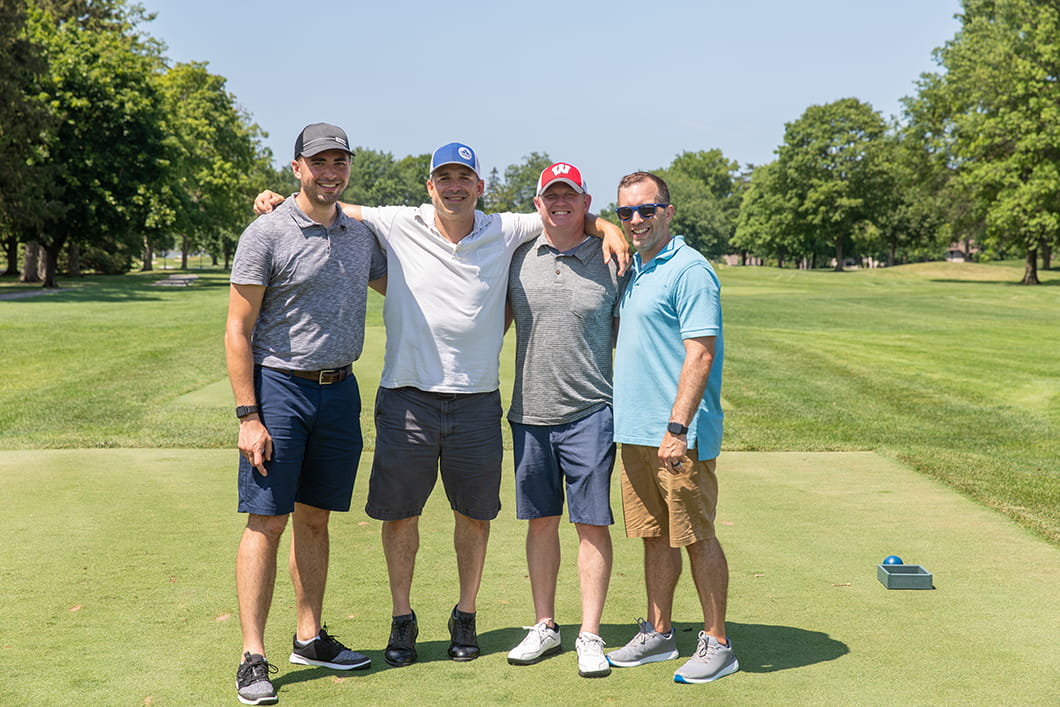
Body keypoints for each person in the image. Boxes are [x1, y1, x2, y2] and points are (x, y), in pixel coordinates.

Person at [253, 143, 629, 668]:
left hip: (476, 401)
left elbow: (564, 214)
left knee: (473, 516)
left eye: (465, 178)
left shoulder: (506, 228)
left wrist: (607, 226)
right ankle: (402, 620)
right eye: (444, 178)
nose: (455, 186)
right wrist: (279, 199)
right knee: (400, 516)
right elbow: (328, 205)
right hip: (406, 396)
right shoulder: (398, 221)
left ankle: (466, 615)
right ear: (430, 187)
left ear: (480, 187)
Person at [226, 123, 387, 705]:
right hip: (279, 391)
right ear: (297, 167)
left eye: (339, 162)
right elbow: (238, 329)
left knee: (314, 520)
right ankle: (252, 654)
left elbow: (421, 269)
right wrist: (249, 415)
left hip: (339, 392)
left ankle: (309, 636)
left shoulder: (360, 234)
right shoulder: (265, 232)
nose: (330, 172)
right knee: (267, 522)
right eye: (319, 162)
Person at [606, 171, 739, 685]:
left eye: (647, 209)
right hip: (635, 431)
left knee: (697, 534)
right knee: (654, 535)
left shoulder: (690, 270)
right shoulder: (637, 268)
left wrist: (678, 426)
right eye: (626, 212)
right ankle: (660, 633)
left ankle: (718, 641)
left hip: (676, 434)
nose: (636, 220)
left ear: (669, 211)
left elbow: (700, 352)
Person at [504, 163, 626, 678]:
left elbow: (628, 333)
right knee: (540, 522)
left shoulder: (611, 258)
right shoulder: (516, 256)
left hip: (591, 412)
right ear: (537, 203)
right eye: (550, 196)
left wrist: (607, 227)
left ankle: (591, 634)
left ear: (584, 200)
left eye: (569, 196)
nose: (559, 204)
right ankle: (545, 625)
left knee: (592, 525)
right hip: (530, 413)